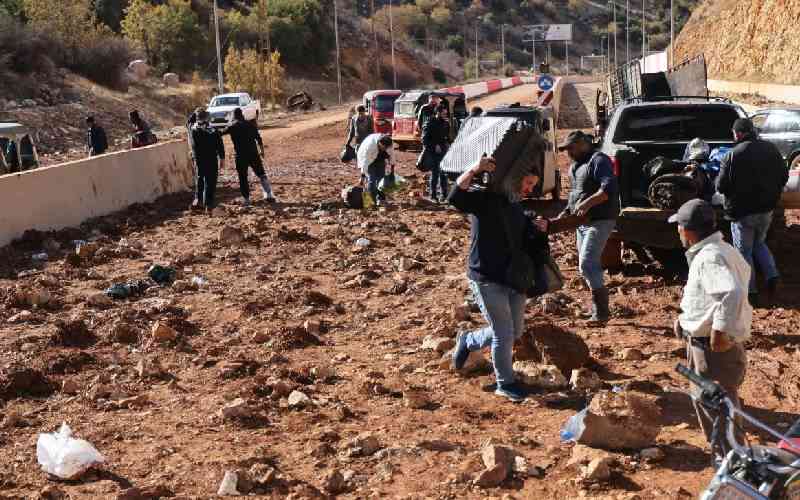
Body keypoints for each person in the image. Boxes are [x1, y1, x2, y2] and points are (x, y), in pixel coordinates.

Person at [449, 156, 549, 402]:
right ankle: (505, 383)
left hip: (514, 278)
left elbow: (525, 238)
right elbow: (455, 197)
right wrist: (474, 168)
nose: (530, 189)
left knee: (514, 332)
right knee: (503, 334)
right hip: (486, 276)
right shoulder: (485, 198)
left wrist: (539, 226)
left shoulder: (516, 205)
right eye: (527, 182)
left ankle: (469, 339)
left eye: (533, 184)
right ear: (514, 178)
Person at [669, 198, 751, 461]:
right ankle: (732, 462)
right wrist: (685, 319)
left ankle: (732, 467)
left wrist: (718, 331)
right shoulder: (722, 250)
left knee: (716, 408)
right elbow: (713, 296)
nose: (678, 231)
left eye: (679, 227)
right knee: (719, 405)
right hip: (708, 345)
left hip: (711, 350)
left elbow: (731, 292)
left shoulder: (709, 257)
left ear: (688, 230)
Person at [716, 117, 788, 306]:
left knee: (744, 252)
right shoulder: (771, 149)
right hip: (766, 210)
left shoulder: (731, 155)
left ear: (738, 133)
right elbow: (784, 176)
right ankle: (773, 276)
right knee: (759, 243)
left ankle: (751, 292)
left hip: (742, 213)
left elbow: (721, 186)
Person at [558, 131, 619, 325]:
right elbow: (576, 194)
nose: (568, 152)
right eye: (566, 149)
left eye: (572, 148)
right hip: (582, 223)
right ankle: (596, 310)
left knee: (587, 263)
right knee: (585, 266)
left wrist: (587, 204)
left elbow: (608, 190)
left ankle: (602, 313)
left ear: (584, 143)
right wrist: (566, 212)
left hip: (600, 220)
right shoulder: (576, 166)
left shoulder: (599, 160)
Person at [222, 107, 275, 206]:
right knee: (261, 174)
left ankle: (246, 199)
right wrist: (262, 151)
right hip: (253, 154)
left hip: (240, 156)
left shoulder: (232, 126)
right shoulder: (250, 124)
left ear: (234, 116)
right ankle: (269, 195)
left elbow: (220, 133)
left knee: (243, 177)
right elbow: (259, 138)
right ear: (242, 114)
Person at [190, 109, 225, 212]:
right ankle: (208, 204)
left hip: (199, 159)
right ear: (206, 118)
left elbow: (194, 146)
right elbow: (220, 145)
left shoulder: (193, 129)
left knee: (200, 178)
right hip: (211, 159)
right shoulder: (213, 130)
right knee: (211, 181)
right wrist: (222, 158)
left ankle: (198, 200)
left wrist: (194, 158)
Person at [357, 133, 395, 208]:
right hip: (369, 160)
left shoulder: (389, 144)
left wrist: (392, 171)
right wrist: (362, 176)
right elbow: (365, 162)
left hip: (380, 159)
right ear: (379, 143)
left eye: (386, 148)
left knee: (381, 180)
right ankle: (370, 202)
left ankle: (381, 200)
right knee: (371, 181)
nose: (385, 149)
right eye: (383, 147)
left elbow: (392, 156)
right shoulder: (369, 146)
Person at [422, 104, 451, 203]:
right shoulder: (430, 122)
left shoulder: (446, 123)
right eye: (443, 113)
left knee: (443, 174)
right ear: (438, 112)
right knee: (435, 174)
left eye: (445, 113)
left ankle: (444, 195)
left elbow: (447, 137)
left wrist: (448, 144)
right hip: (433, 153)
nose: (445, 114)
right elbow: (424, 140)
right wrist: (435, 145)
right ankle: (433, 196)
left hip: (444, 152)